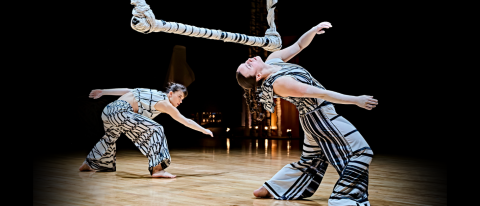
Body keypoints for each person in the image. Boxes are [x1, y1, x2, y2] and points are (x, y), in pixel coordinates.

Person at [236, 22, 378, 205]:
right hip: (320, 118)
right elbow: (322, 93)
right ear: (257, 77)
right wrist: (356, 100)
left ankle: (271, 188)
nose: (248, 61)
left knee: (311, 160)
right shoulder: (280, 83)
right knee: (362, 151)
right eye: (247, 66)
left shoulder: (273, 59)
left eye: (245, 62)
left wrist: (313, 30)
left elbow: (299, 46)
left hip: (311, 120)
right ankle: (344, 199)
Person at [78, 83, 213, 178]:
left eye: (183, 99)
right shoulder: (165, 102)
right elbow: (185, 120)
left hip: (108, 110)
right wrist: (203, 130)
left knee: (111, 137)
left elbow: (126, 90)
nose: (181, 101)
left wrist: (103, 91)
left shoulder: (151, 92)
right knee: (156, 129)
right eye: (179, 97)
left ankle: (89, 163)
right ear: (170, 93)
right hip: (120, 111)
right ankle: (157, 169)